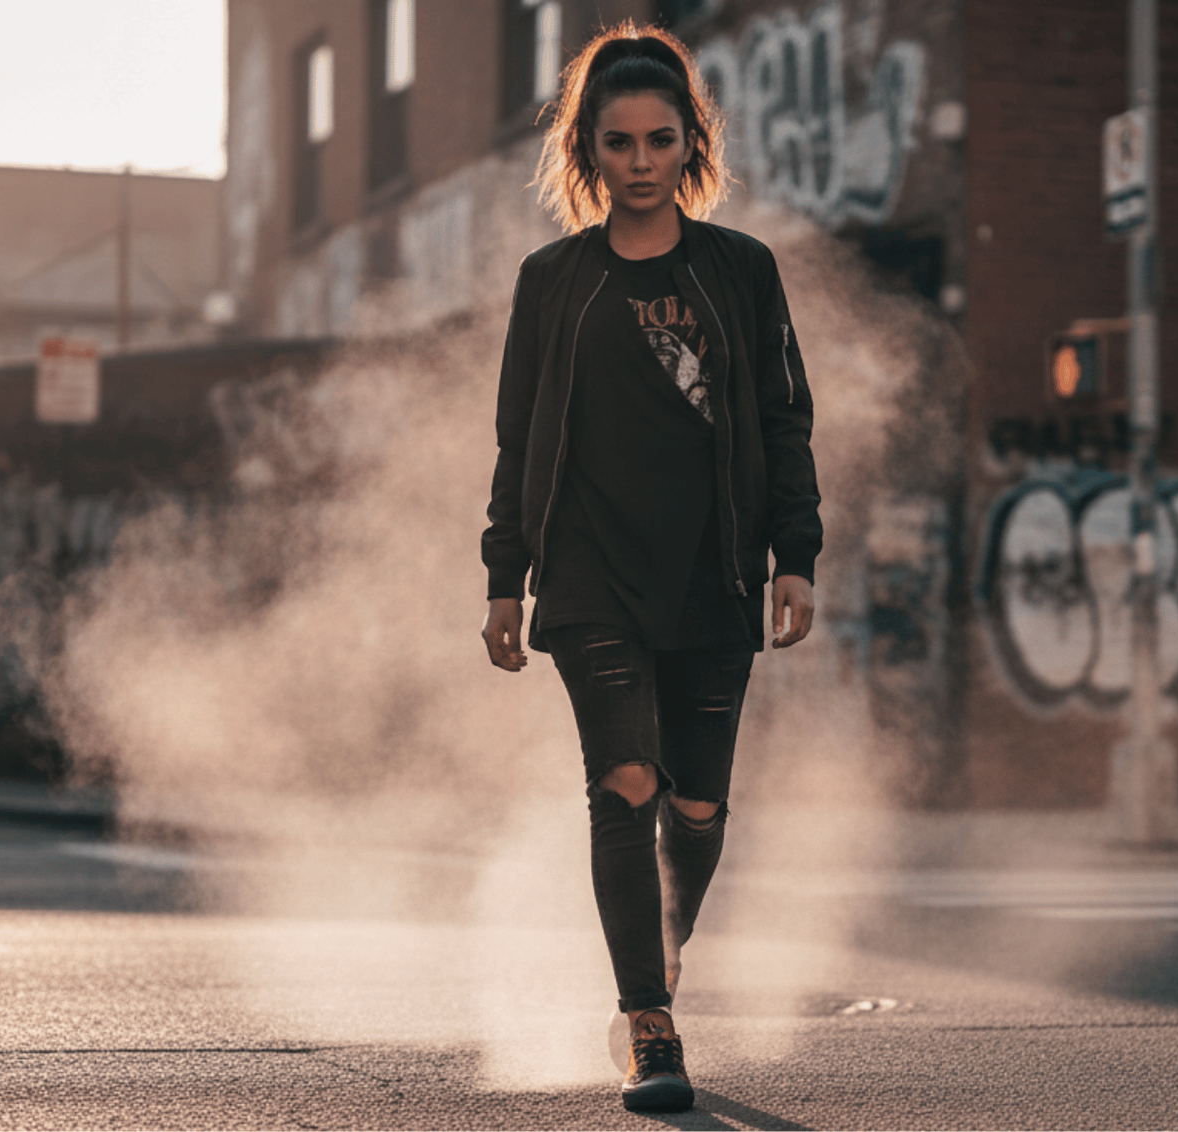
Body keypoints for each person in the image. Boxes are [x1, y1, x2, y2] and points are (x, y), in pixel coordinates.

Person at [480, 21, 821, 1114]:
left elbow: (784, 418)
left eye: (659, 140)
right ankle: (648, 1020)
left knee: (700, 803)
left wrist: (796, 554)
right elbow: (519, 438)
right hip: (591, 579)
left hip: (713, 572)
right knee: (626, 783)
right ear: (585, 150)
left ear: (691, 144)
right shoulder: (554, 280)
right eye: (617, 142)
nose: (639, 162)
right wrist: (504, 576)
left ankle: (657, 950)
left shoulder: (740, 271)